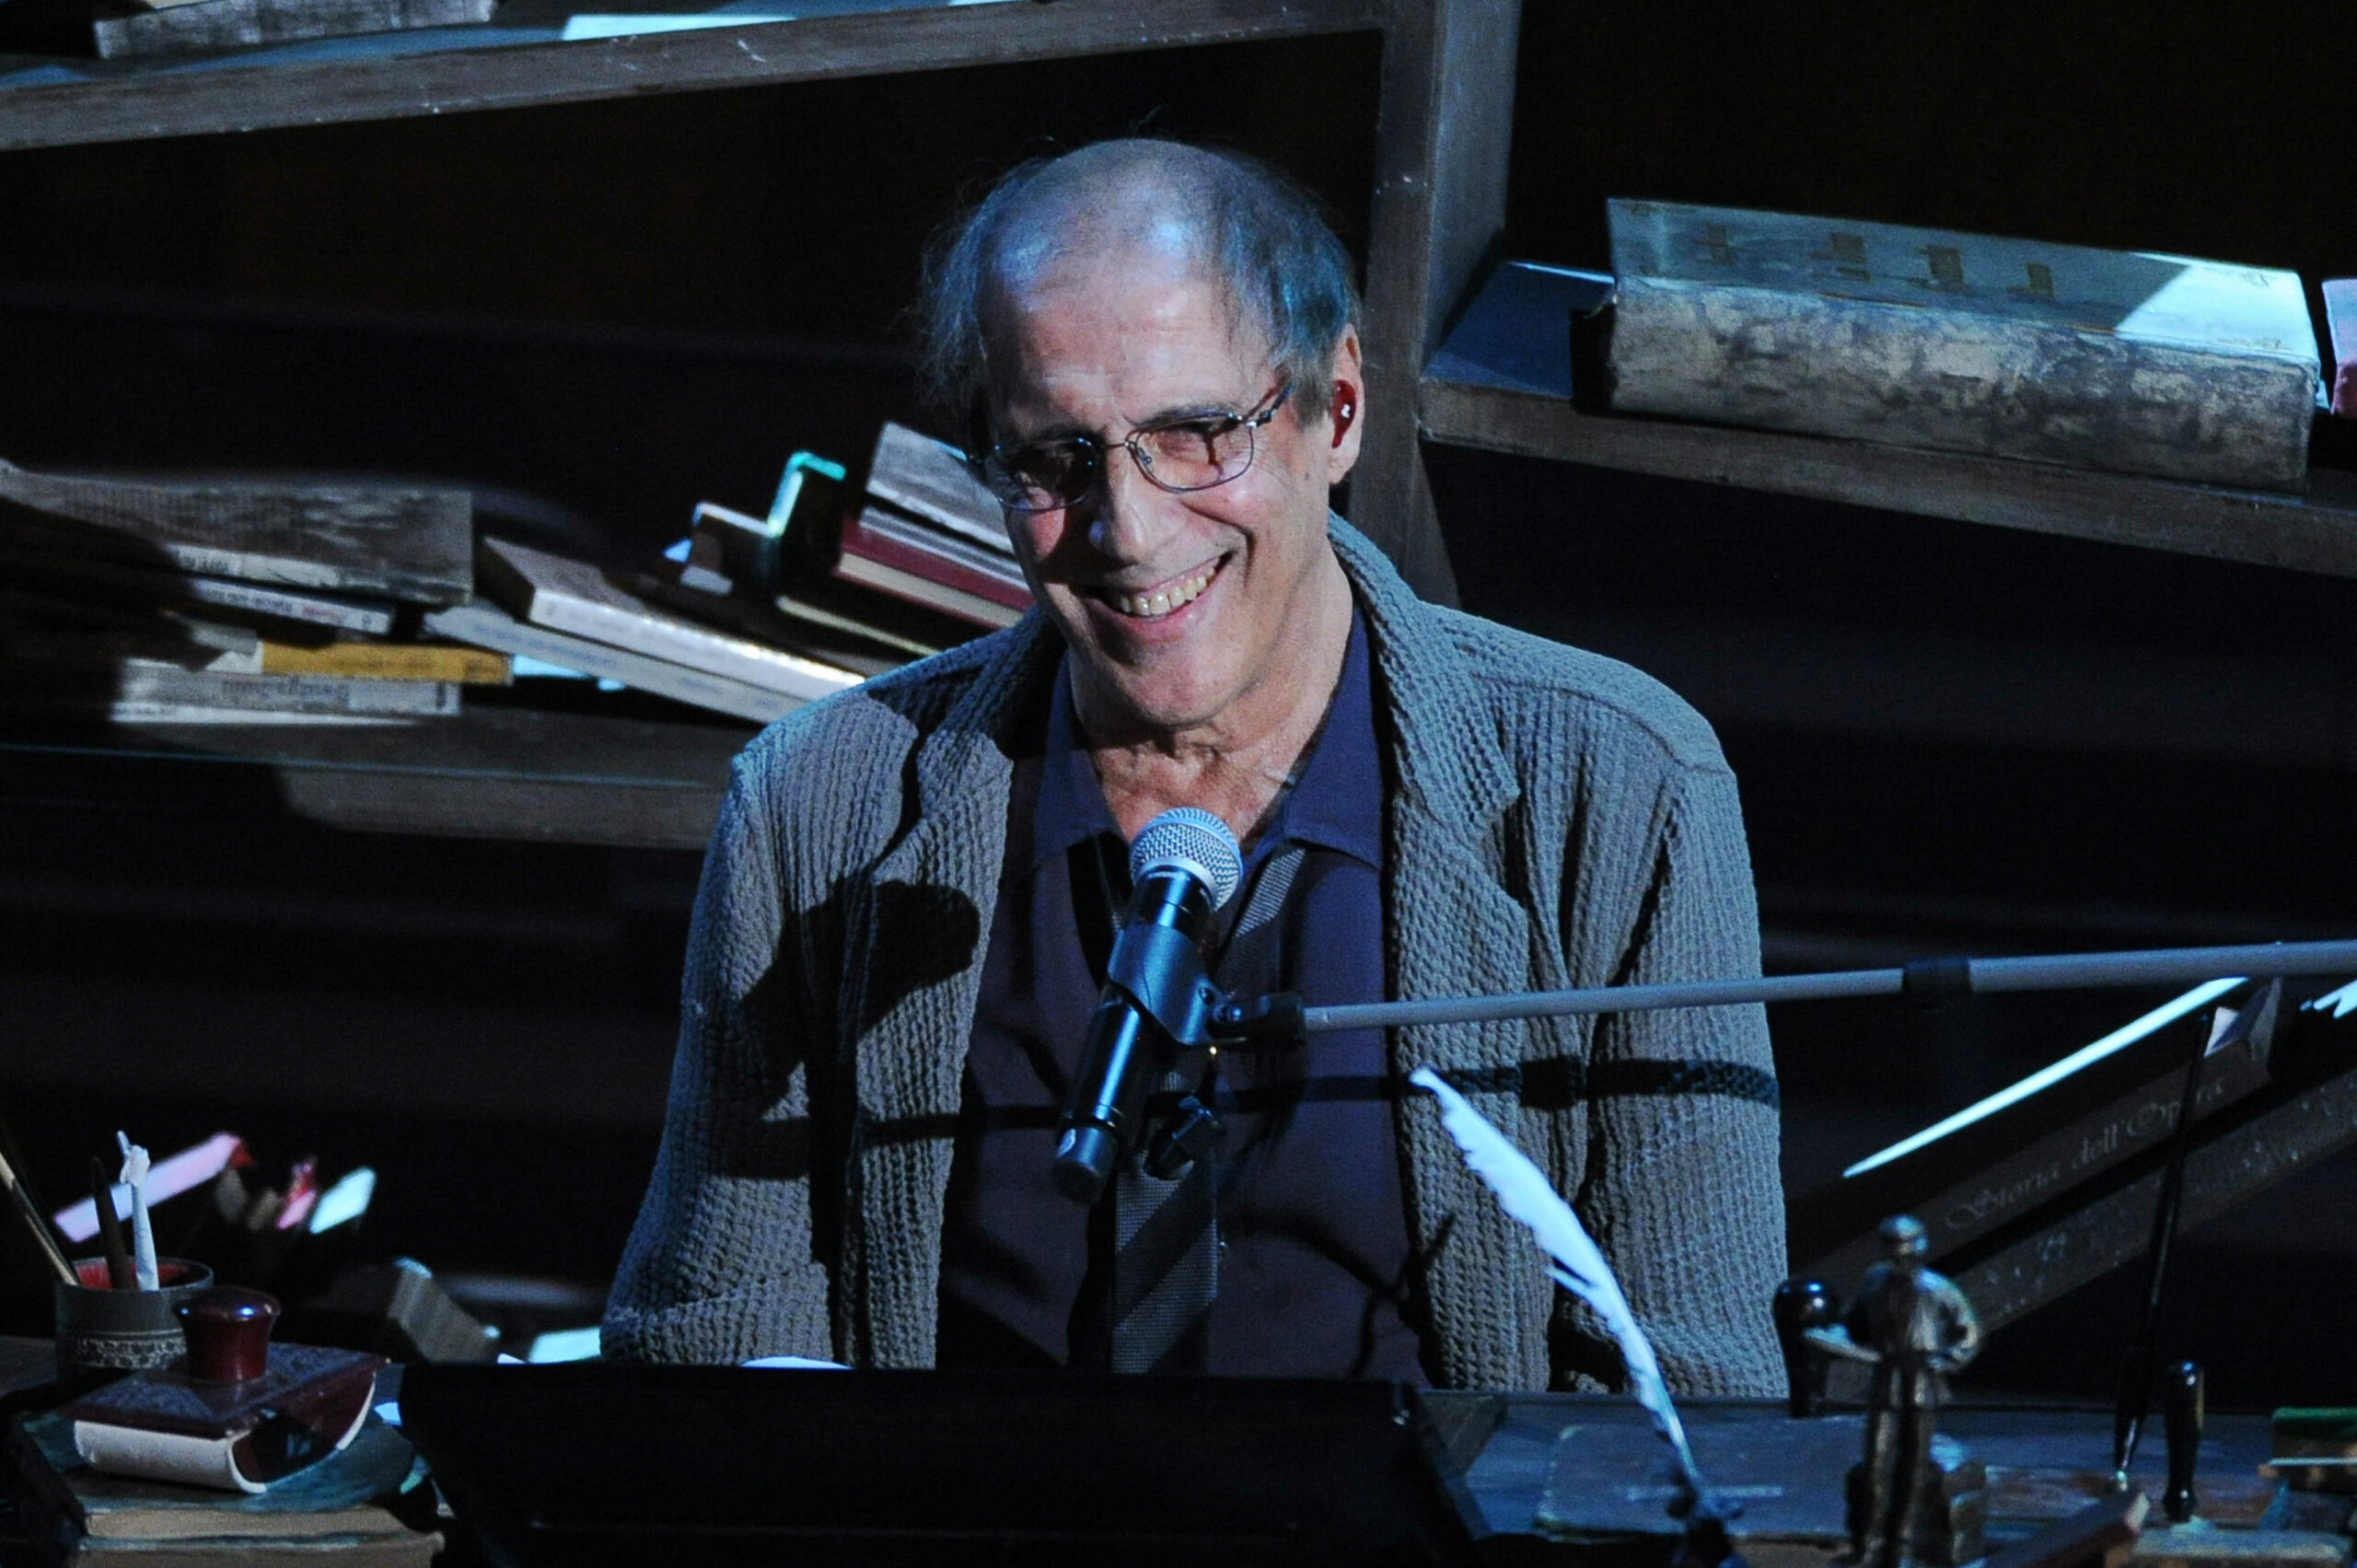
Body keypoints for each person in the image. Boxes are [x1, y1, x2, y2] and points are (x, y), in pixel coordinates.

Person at [602, 137, 1787, 1394]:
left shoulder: (1618, 783)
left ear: (1336, 410)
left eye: (1196, 433)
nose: (1129, 527)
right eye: (1055, 458)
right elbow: (710, 1359)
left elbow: (1700, 1397)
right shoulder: (818, 801)